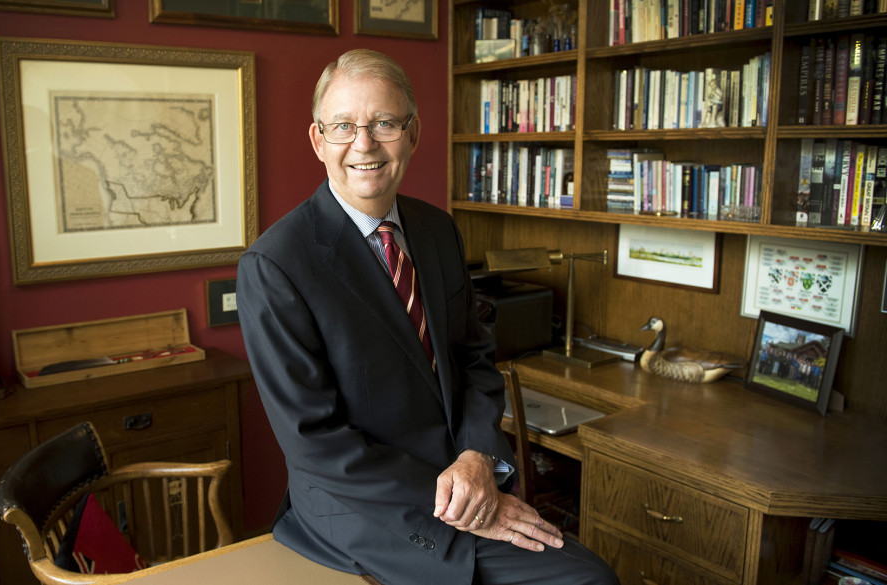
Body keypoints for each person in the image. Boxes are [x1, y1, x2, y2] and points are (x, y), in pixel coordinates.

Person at [237, 48, 619, 585]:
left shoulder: (437, 231)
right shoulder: (276, 265)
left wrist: (478, 457)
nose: (363, 143)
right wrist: (454, 496)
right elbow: (314, 441)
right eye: (343, 126)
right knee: (587, 580)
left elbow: (476, 361)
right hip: (367, 508)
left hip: (466, 475)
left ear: (413, 134)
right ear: (318, 140)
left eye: (384, 123)